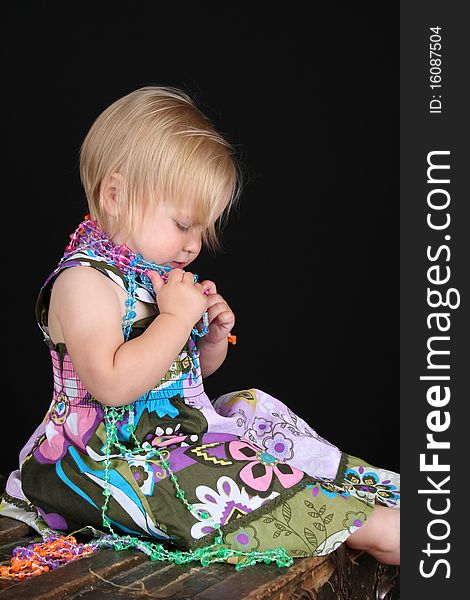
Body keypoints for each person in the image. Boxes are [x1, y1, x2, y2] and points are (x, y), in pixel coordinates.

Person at [0, 86, 400, 576]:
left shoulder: (147, 273)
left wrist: (206, 340)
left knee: (252, 409)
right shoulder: (84, 282)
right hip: (104, 462)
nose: (193, 246)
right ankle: (366, 526)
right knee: (209, 475)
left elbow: (181, 382)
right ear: (115, 195)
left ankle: (356, 492)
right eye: (183, 224)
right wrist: (174, 320)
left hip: (170, 436)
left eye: (203, 231)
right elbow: (113, 385)